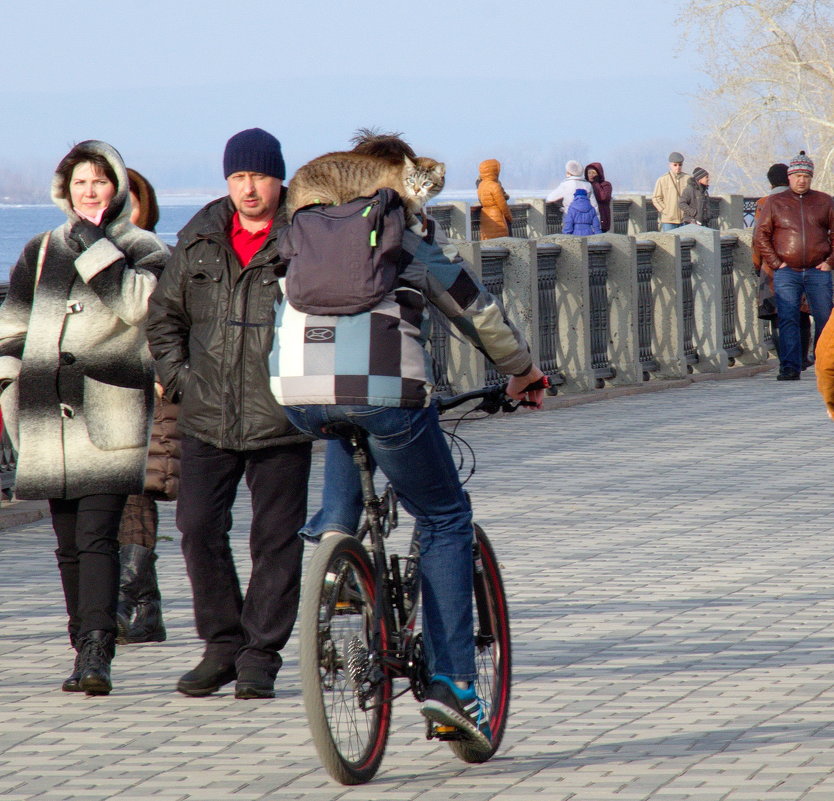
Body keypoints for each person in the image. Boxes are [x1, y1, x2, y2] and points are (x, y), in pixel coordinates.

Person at [269, 131, 547, 752]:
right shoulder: (400, 237)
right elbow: (474, 309)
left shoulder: (297, 238)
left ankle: (336, 559)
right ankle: (452, 685)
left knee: (345, 419)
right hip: (389, 394)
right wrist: (524, 371)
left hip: (297, 394)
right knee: (446, 518)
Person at [146, 128, 312, 700]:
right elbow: (163, 318)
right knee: (196, 528)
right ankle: (222, 644)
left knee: (275, 539)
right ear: (227, 181)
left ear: (279, 179)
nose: (249, 188)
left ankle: (260, 655)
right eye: (238, 177)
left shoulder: (303, 236)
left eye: (259, 177)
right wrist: (185, 382)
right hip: (206, 416)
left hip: (280, 417)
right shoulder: (198, 239)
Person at [0, 140, 168, 695]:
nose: (89, 192)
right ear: (64, 190)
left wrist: (97, 246)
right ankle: (83, 643)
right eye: (79, 184)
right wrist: (8, 387)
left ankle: (98, 649)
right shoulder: (40, 250)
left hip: (110, 414)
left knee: (98, 535)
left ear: (117, 187)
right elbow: (13, 326)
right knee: (68, 541)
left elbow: (139, 307)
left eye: (99, 181)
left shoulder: (144, 248)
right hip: (45, 415)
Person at [115, 168, 180, 646]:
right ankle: (138, 604)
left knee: (139, 492)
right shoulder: (91, 259)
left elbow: (178, 324)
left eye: (130, 201)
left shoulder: (163, 258)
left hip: (154, 390)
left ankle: (135, 602)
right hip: (105, 393)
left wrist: (165, 370)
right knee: (112, 498)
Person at [754, 150, 834, 381]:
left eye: (806, 176)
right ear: (789, 177)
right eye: (797, 175)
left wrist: (830, 262)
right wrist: (777, 263)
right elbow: (761, 235)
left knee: (825, 318)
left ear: (811, 178)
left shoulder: (824, 201)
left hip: (818, 271)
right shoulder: (775, 202)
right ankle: (789, 367)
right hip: (787, 271)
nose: (801, 180)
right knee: (787, 317)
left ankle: (824, 362)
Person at [752, 163, 813, 370]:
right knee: (802, 312)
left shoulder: (763, 203)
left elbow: (758, 238)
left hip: (773, 268)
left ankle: (786, 360)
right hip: (802, 264)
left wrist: (757, 265)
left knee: (778, 314)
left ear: (769, 181)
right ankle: (803, 358)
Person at [652, 151, 689, 231]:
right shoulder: (663, 179)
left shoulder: (688, 179)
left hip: (685, 219)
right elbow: (656, 198)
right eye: (675, 165)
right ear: (670, 165)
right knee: (669, 242)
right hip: (668, 220)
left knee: (685, 242)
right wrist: (665, 210)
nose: (678, 167)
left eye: (680, 165)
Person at [476, 159, 513, 239]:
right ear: (494, 171)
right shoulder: (494, 186)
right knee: (501, 242)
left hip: (485, 216)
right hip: (496, 217)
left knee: (489, 242)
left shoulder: (481, 185)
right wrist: (509, 217)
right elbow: (502, 205)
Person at [584, 162, 612, 232]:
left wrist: (595, 183)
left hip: (601, 219)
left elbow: (603, 197)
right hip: (587, 219)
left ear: (599, 173)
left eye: (593, 173)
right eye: (589, 173)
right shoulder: (585, 185)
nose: (591, 175)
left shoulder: (606, 185)